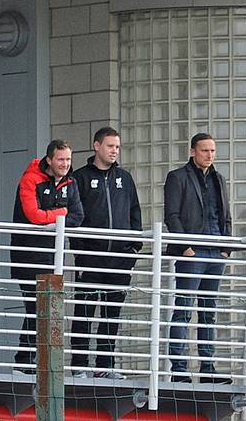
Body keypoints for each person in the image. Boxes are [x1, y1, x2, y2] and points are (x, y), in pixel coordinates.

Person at [69, 127, 142, 379]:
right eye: (110, 146)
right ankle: (79, 364)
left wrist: (132, 251)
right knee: (85, 312)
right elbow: (74, 218)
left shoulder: (125, 178)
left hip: (120, 260)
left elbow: (135, 215)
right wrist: (81, 252)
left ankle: (104, 366)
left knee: (112, 316)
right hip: (90, 259)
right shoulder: (79, 178)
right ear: (96, 146)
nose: (114, 151)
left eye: (117, 147)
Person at [9, 139, 83, 373]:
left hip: (53, 256)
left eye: (69, 160)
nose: (65, 164)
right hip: (28, 254)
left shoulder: (71, 182)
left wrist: (51, 216)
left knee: (46, 310)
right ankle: (24, 361)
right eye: (61, 159)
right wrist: (61, 213)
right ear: (49, 160)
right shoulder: (30, 179)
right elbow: (33, 215)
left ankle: (31, 361)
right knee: (35, 308)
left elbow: (78, 215)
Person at [163, 132, 232, 383]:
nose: (209, 155)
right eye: (205, 150)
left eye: (212, 151)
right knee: (183, 309)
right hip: (193, 252)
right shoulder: (177, 177)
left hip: (216, 251)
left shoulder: (219, 179)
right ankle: (179, 370)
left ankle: (208, 368)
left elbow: (225, 214)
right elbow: (172, 215)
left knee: (208, 311)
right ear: (192, 151)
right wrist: (186, 247)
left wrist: (226, 248)